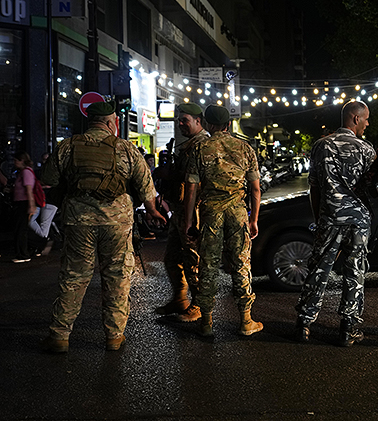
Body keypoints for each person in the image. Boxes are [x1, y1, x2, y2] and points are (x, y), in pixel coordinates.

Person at [40, 101, 165, 353]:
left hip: (78, 222)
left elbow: (49, 180)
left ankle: (59, 336)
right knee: (117, 277)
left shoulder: (68, 146)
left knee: (74, 277)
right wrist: (153, 212)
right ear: (111, 123)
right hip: (116, 224)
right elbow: (145, 187)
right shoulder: (125, 148)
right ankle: (114, 337)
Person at [294, 100, 377, 347]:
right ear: (355, 118)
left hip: (330, 217)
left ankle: (304, 325)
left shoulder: (321, 146)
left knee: (319, 269)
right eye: (365, 119)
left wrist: (319, 219)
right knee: (355, 272)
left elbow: (314, 188)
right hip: (358, 220)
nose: (367, 123)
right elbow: (371, 188)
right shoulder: (367, 150)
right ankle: (348, 328)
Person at [184, 105, 263, 337]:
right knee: (241, 265)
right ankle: (246, 320)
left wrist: (190, 222)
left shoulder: (200, 149)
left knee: (208, 266)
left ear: (207, 124)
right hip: (238, 213)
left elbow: (191, 190)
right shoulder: (245, 148)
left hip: (211, 213)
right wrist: (254, 219)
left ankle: (207, 323)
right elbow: (255, 189)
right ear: (228, 124)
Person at [154, 104, 208, 322]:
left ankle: (198, 305)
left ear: (198, 121)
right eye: (179, 120)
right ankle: (180, 298)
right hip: (179, 208)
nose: (181, 123)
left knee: (192, 259)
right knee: (172, 258)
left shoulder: (203, 145)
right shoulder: (187, 146)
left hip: (192, 210)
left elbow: (197, 181)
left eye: (185, 119)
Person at [12, 150, 37, 263]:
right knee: (21, 228)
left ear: (21, 160)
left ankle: (23, 254)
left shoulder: (26, 172)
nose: (14, 162)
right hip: (22, 202)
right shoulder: (23, 172)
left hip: (23, 202)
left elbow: (29, 190)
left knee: (21, 229)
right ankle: (22, 253)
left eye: (16, 160)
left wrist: (31, 205)